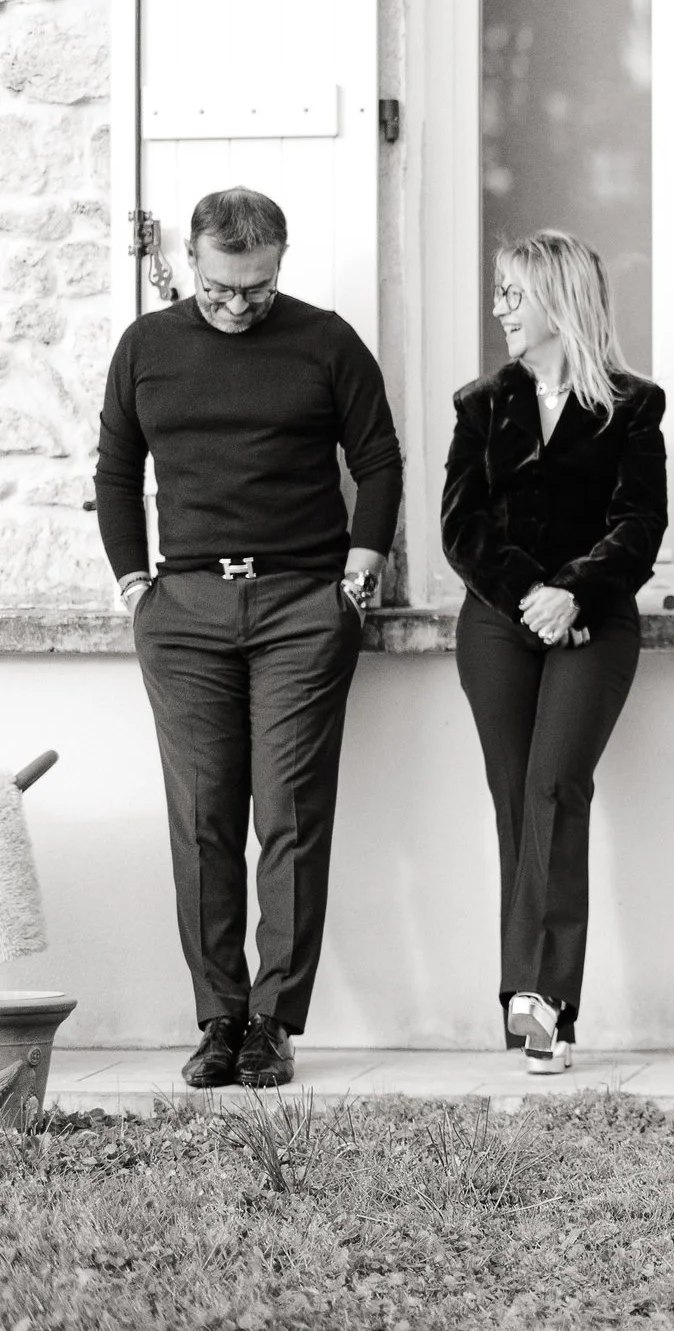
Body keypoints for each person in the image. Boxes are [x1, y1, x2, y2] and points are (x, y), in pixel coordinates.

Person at [95, 187, 403, 1089]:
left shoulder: (327, 341)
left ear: (281, 262)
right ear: (191, 261)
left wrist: (358, 574)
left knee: (290, 817)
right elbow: (116, 466)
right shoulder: (146, 348)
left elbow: (377, 457)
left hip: (301, 606)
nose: (238, 305)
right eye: (222, 287)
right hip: (184, 608)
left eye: (257, 289)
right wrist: (134, 585)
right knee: (202, 818)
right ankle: (217, 1017)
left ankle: (274, 1022)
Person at [443, 232, 666, 1074]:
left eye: (513, 293)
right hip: (500, 622)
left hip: (595, 620)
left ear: (556, 301)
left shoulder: (633, 406)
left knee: (554, 787)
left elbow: (640, 525)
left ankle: (545, 1009)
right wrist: (533, 599)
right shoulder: (480, 403)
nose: (499, 307)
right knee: (513, 799)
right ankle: (525, 1002)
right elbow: (461, 528)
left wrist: (573, 589)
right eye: (499, 293)